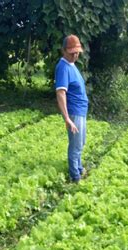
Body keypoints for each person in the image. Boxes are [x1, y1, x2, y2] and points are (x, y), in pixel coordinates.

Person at [55, 34, 89, 183]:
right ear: (64, 51)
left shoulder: (72, 65)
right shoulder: (63, 67)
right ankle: (75, 176)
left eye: (77, 52)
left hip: (80, 111)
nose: (75, 55)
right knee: (75, 146)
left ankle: (79, 168)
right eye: (72, 52)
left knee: (80, 143)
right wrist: (67, 118)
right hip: (74, 112)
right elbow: (61, 93)